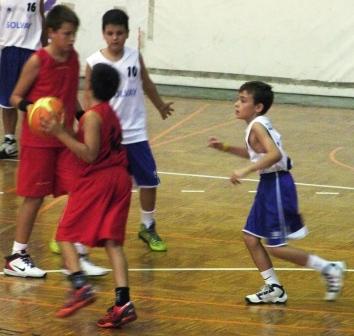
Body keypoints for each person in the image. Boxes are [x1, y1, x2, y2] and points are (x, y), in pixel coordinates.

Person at [208, 81, 345, 304]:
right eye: (237, 99)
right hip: (269, 184)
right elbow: (256, 154)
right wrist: (224, 147)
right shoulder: (257, 125)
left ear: (258, 107)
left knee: (275, 247)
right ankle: (274, 288)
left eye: (242, 100)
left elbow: (274, 155)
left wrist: (245, 170)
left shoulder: (257, 126)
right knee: (250, 237)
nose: (236, 104)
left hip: (278, 185)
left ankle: (328, 268)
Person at [2, 5, 105, 278]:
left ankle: (78, 253)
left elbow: (69, 95)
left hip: (65, 140)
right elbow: (14, 98)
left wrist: (84, 119)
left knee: (82, 189)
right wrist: (35, 108)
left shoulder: (73, 59)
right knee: (34, 198)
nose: (71, 39)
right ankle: (16, 256)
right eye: (66, 34)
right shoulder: (38, 60)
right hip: (38, 142)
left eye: (74, 34)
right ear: (51, 33)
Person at [41, 63, 137, 327]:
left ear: (90, 86)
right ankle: (123, 303)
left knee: (64, 234)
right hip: (120, 179)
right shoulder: (107, 112)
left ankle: (79, 286)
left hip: (99, 181)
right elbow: (90, 130)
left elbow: (89, 153)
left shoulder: (93, 117)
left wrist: (59, 132)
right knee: (113, 244)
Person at [85, 9, 174, 252]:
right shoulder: (94, 62)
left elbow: (146, 83)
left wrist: (160, 106)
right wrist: (88, 127)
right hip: (108, 136)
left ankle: (147, 226)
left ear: (127, 34)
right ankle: (77, 228)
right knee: (96, 185)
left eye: (119, 33)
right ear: (103, 34)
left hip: (135, 133)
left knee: (149, 181)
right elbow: (89, 98)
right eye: (110, 33)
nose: (115, 38)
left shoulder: (135, 57)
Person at [0, 0, 46, 159]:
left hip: (31, 50)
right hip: (7, 50)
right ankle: (9, 141)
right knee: (6, 99)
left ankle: (37, 140)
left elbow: (41, 17)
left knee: (34, 100)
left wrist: (45, 47)